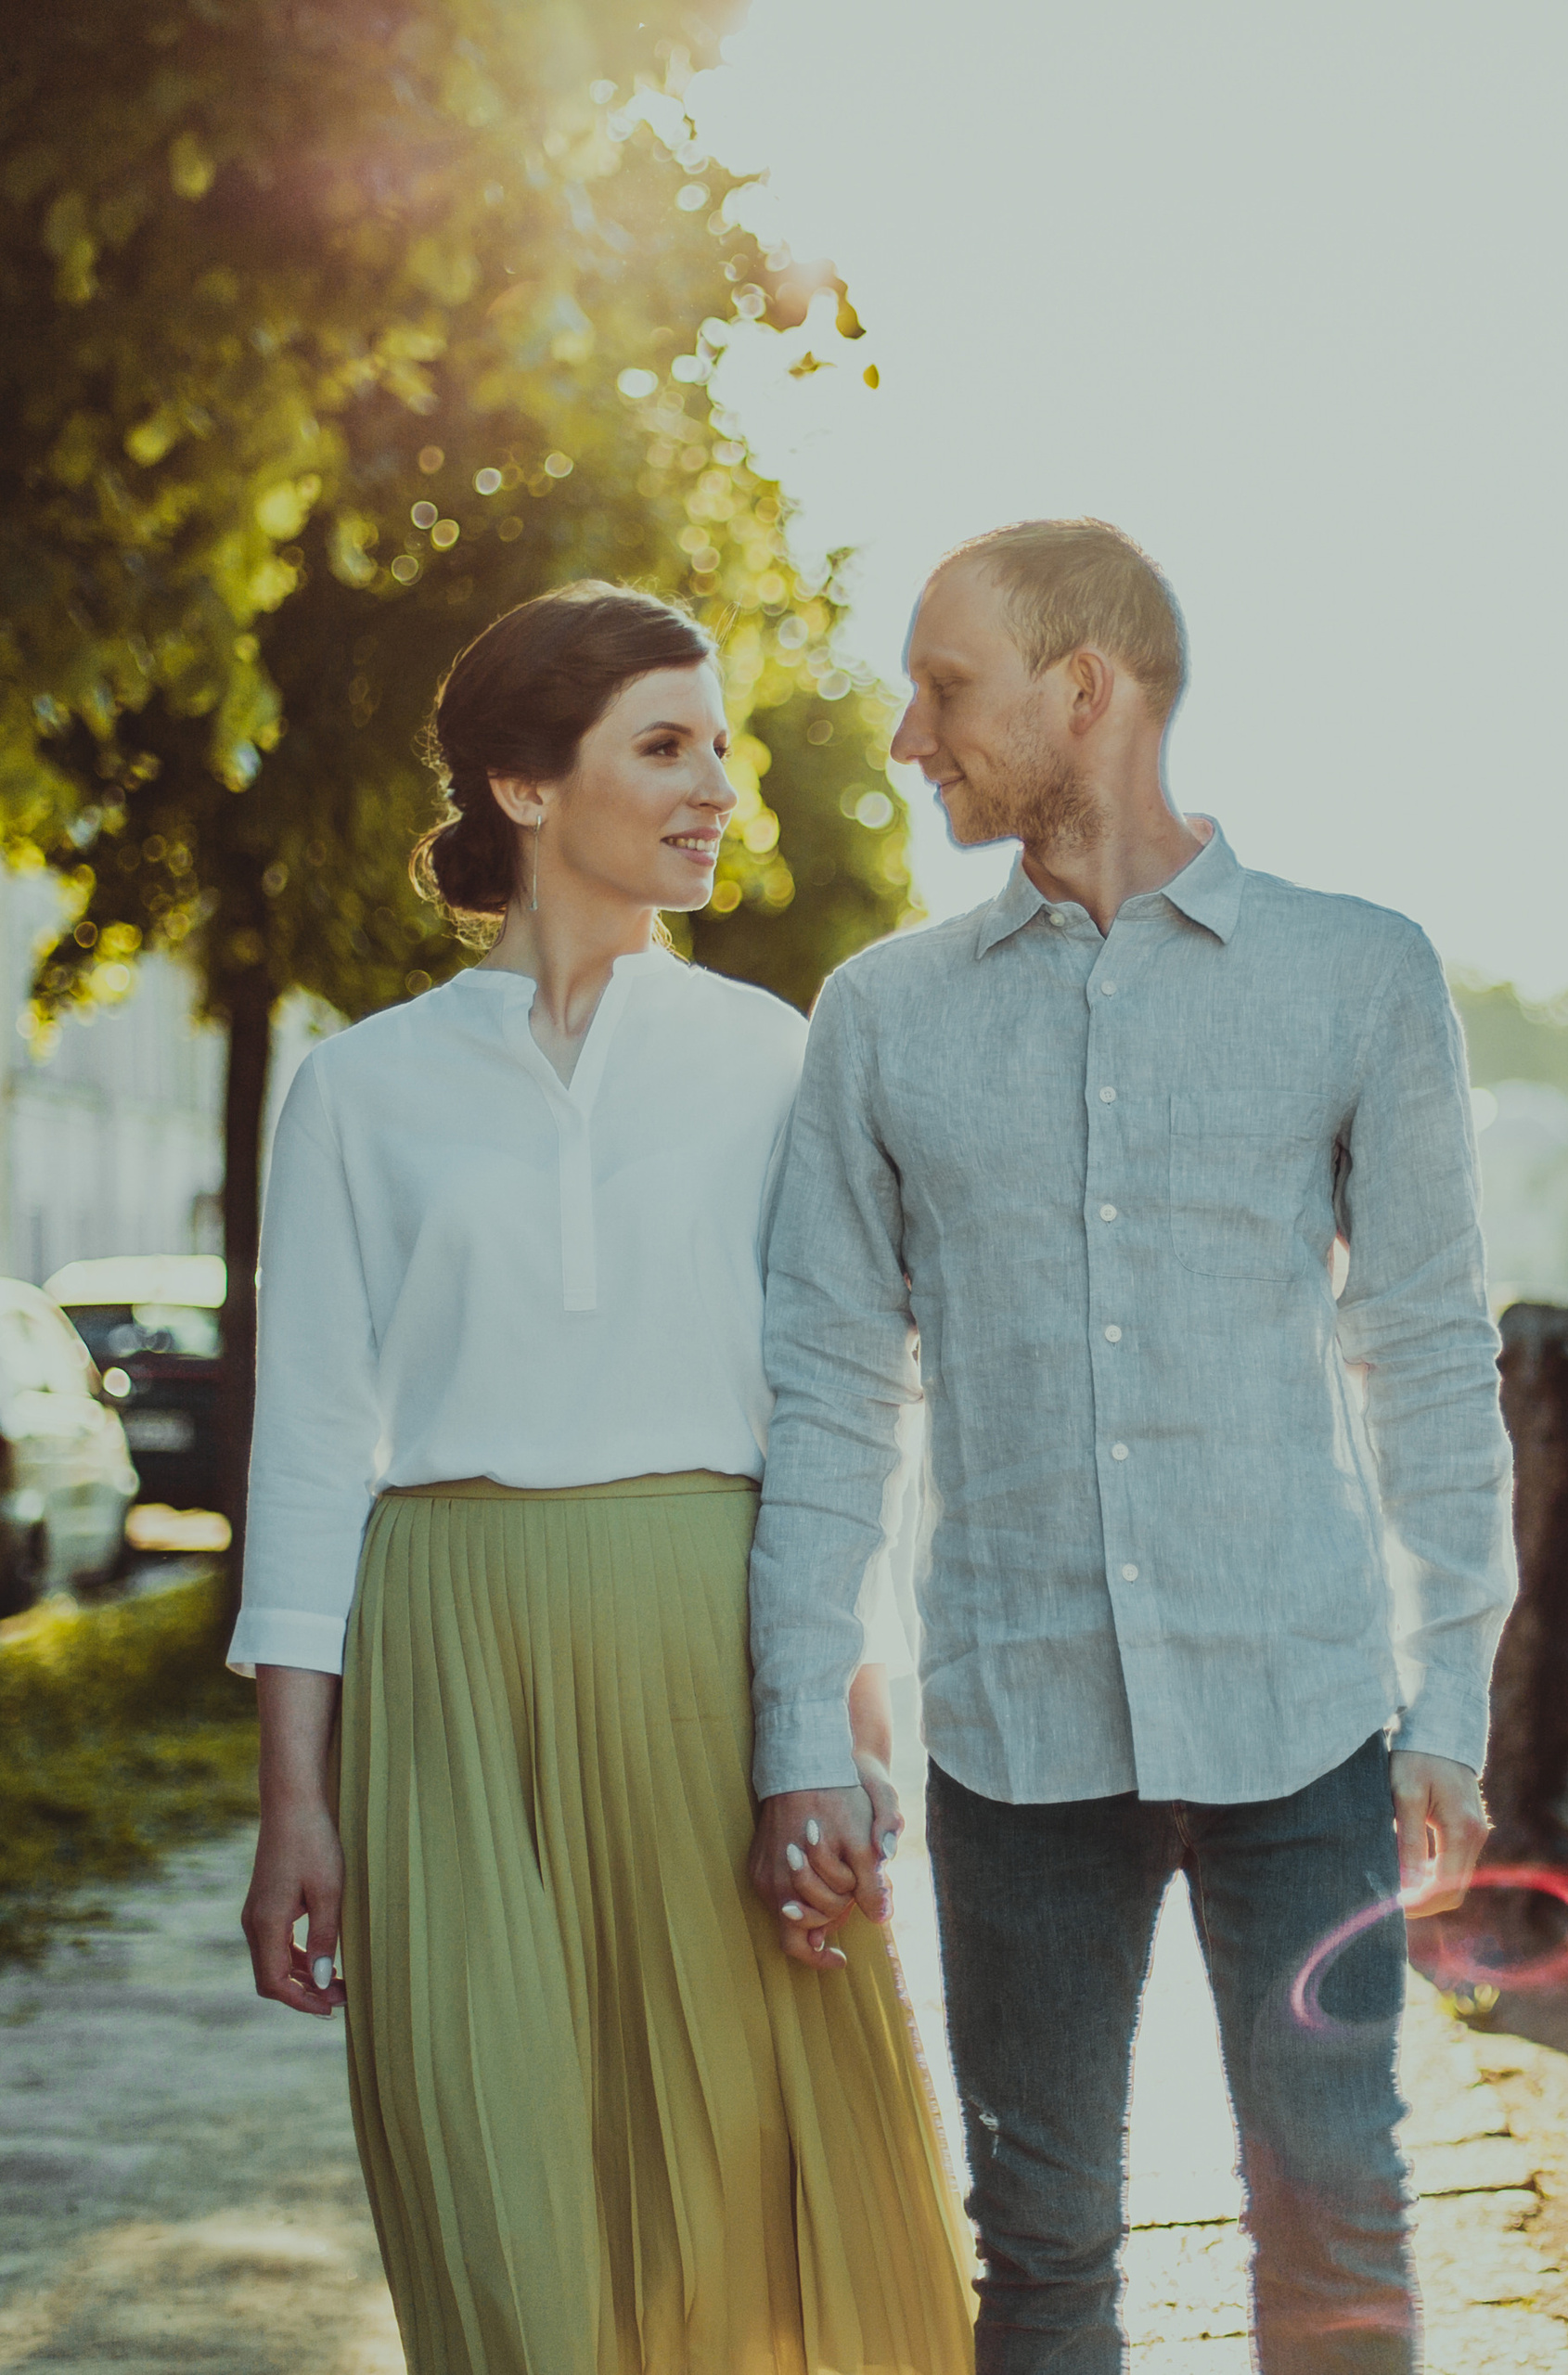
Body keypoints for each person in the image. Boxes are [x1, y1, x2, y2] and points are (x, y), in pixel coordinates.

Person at [749, 520, 1517, 2372]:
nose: (909, 732)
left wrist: (1450, 1698)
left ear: (1081, 689)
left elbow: (1420, 1344)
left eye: (944, 687)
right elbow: (832, 1384)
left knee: (1335, 2209)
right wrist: (797, 1736)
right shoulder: (879, 1018)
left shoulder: (1359, 972)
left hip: (1305, 1721)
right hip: (1015, 1731)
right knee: (1042, 2247)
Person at [232, 582, 974, 2375]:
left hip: (704, 1643)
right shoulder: (359, 1091)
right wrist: (295, 1805)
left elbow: (835, 1405)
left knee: (746, 2191)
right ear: (521, 784)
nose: (717, 786)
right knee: (499, 2194)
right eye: (665, 746)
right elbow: (316, 1443)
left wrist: (852, 1740)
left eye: (720, 747)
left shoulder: (776, 1059)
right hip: (450, 1666)